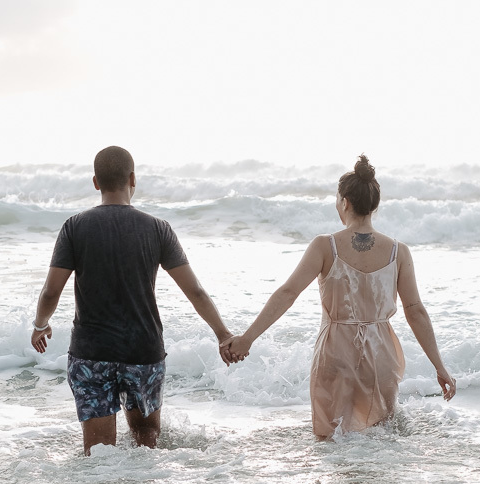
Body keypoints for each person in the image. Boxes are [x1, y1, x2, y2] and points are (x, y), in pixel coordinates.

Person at [221, 155, 456, 439]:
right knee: (382, 438)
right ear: (375, 205)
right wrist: (440, 367)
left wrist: (248, 337)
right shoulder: (398, 252)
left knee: (328, 440)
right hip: (382, 355)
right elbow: (415, 310)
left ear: (344, 201)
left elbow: (288, 293)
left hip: (335, 354)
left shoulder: (325, 246)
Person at [31, 146, 234, 454]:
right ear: (133, 179)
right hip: (143, 352)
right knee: (147, 439)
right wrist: (223, 334)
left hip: (91, 354)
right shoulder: (158, 228)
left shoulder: (74, 227)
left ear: (96, 182)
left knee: (99, 452)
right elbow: (196, 292)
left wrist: (40, 324)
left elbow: (50, 292)